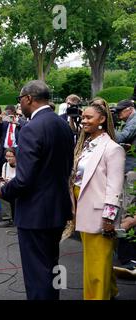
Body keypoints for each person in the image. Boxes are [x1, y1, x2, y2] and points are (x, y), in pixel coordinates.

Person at [0, 80, 74, 300]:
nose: (19, 104)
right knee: (51, 267)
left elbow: (23, 180)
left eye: (19, 99)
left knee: (37, 274)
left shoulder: (31, 128)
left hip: (35, 214)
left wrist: (4, 190)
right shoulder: (63, 125)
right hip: (57, 209)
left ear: (29, 98)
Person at [71, 99, 125, 300]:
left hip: (99, 214)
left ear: (102, 119)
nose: (83, 121)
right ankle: (110, 292)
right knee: (97, 260)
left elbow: (115, 187)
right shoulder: (87, 145)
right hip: (83, 209)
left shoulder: (112, 149)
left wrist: (109, 218)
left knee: (96, 265)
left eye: (88, 117)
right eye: (82, 117)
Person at [115, 99, 136, 173]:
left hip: (132, 164)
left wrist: (110, 125)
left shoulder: (134, 120)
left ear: (130, 109)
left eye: (120, 110)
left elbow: (120, 138)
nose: (118, 113)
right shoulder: (131, 120)